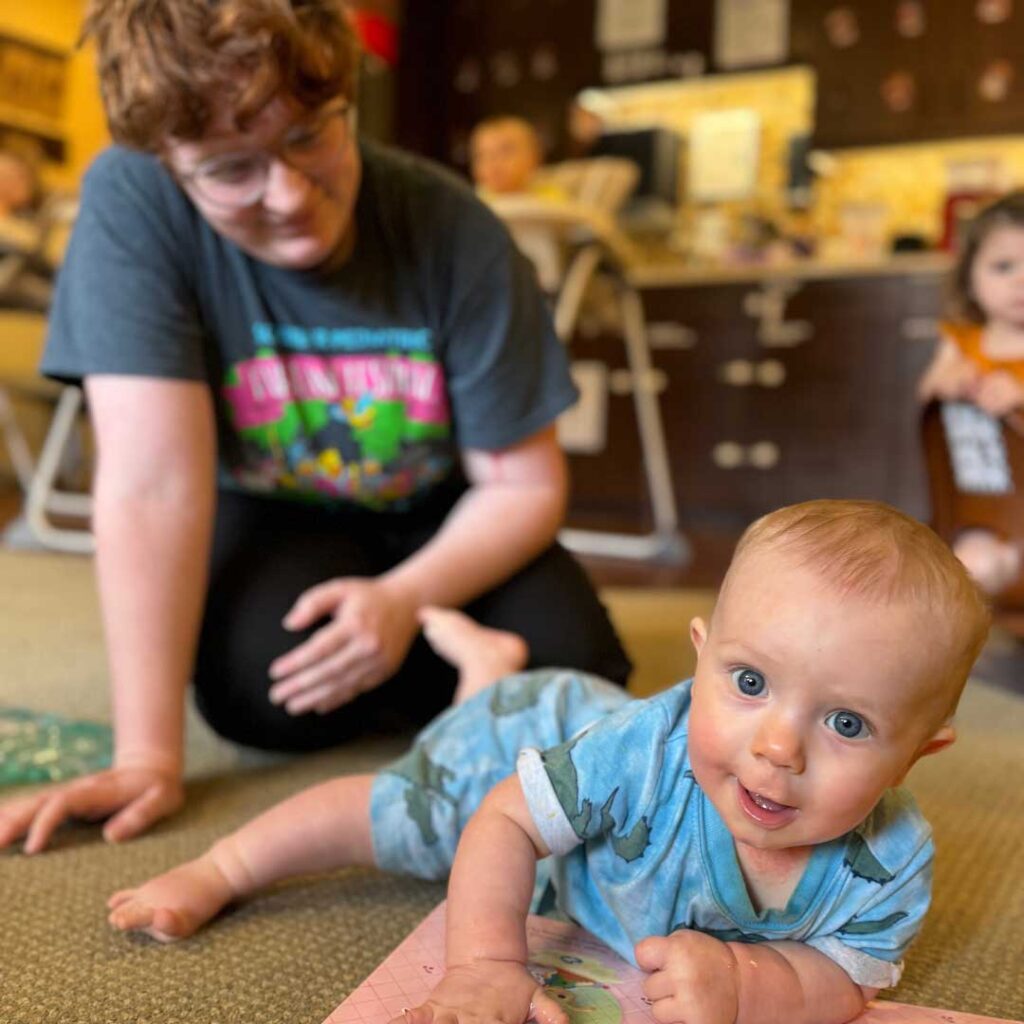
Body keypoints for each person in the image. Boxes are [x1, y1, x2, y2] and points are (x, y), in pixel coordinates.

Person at [0, 0, 631, 856]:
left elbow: (522, 484)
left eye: (309, 137)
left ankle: (437, 657)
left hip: (443, 512)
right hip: (273, 511)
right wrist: (147, 754)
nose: (290, 196)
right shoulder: (133, 199)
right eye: (230, 169)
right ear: (169, 163)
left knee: (580, 665)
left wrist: (405, 598)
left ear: (345, 98)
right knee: (257, 692)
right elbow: (152, 483)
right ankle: (454, 674)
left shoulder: (452, 229)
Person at [104, 499, 988, 1024]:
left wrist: (751, 982)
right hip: (541, 732)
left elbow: (842, 982)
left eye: (845, 722)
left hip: (576, 775)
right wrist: (486, 962)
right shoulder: (641, 756)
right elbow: (507, 820)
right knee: (416, 821)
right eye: (749, 681)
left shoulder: (889, 861)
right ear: (699, 655)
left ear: (921, 750)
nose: (777, 746)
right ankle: (227, 863)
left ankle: (482, 664)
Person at [918, 190, 1024, 596]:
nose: (1020, 281)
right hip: (984, 510)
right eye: (1003, 266)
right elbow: (928, 397)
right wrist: (949, 377)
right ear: (970, 276)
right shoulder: (962, 342)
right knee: (968, 567)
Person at [469, 116, 562, 199]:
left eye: (505, 152)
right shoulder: (475, 202)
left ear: (534, 156)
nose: (492, 162)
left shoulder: (550, 197)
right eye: (481, 155)